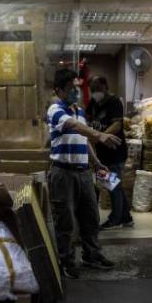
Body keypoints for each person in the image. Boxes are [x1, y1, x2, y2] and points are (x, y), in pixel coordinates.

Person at [47, 68, 120, 279]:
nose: (76, 92)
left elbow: (84, 139)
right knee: (65, 221)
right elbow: (74, 126)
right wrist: (100, 135)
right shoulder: (55, 110)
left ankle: (92, 255)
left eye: (77, 88)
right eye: (71, 88)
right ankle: (67, 261)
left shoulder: (79, 110)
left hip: (84, 172)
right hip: (63, 173)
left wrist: (96, 163)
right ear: (58, 90)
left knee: (91, 216)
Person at [85, 76, 133, 230]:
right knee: (113, 184)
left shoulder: (114, 102)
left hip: (115, 151)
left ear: (106, 87)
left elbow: (117, 125)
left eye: (98, 88)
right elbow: (86, 119)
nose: (95, 92)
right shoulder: (93, 103)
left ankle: (115, 220)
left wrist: (99, 137)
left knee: (113, 186)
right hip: (101, 154)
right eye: (92, 89)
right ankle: (126, 217)